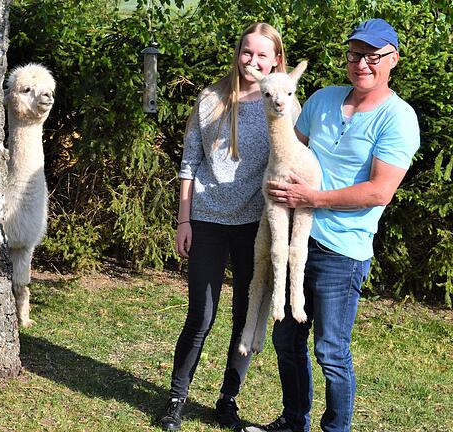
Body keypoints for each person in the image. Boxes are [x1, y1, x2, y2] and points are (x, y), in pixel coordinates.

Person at [242, 18, 420, 432]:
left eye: (373, 56)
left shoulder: (398, 119)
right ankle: (292, 422)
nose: (362, 64)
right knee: (286, 342)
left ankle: (334, 429)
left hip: (343, 250)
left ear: (392, 59)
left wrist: (314, 199)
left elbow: (379, 191)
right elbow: (289, 153)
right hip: (295, 238)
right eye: (355, 55)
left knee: (331, 351)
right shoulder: (322, 100)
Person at [159, 23, 297, 431]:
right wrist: (184, 218)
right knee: (201, 314)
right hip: (207, 219)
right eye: (246, 53)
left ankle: (227, 399)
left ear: (277, 60)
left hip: (257, 224)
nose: (253, 62)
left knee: (246, 315)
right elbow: (190, 162)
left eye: (262, 55)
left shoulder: (287, 101)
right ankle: (176, 397)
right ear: (238, 53)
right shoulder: (211, 100)